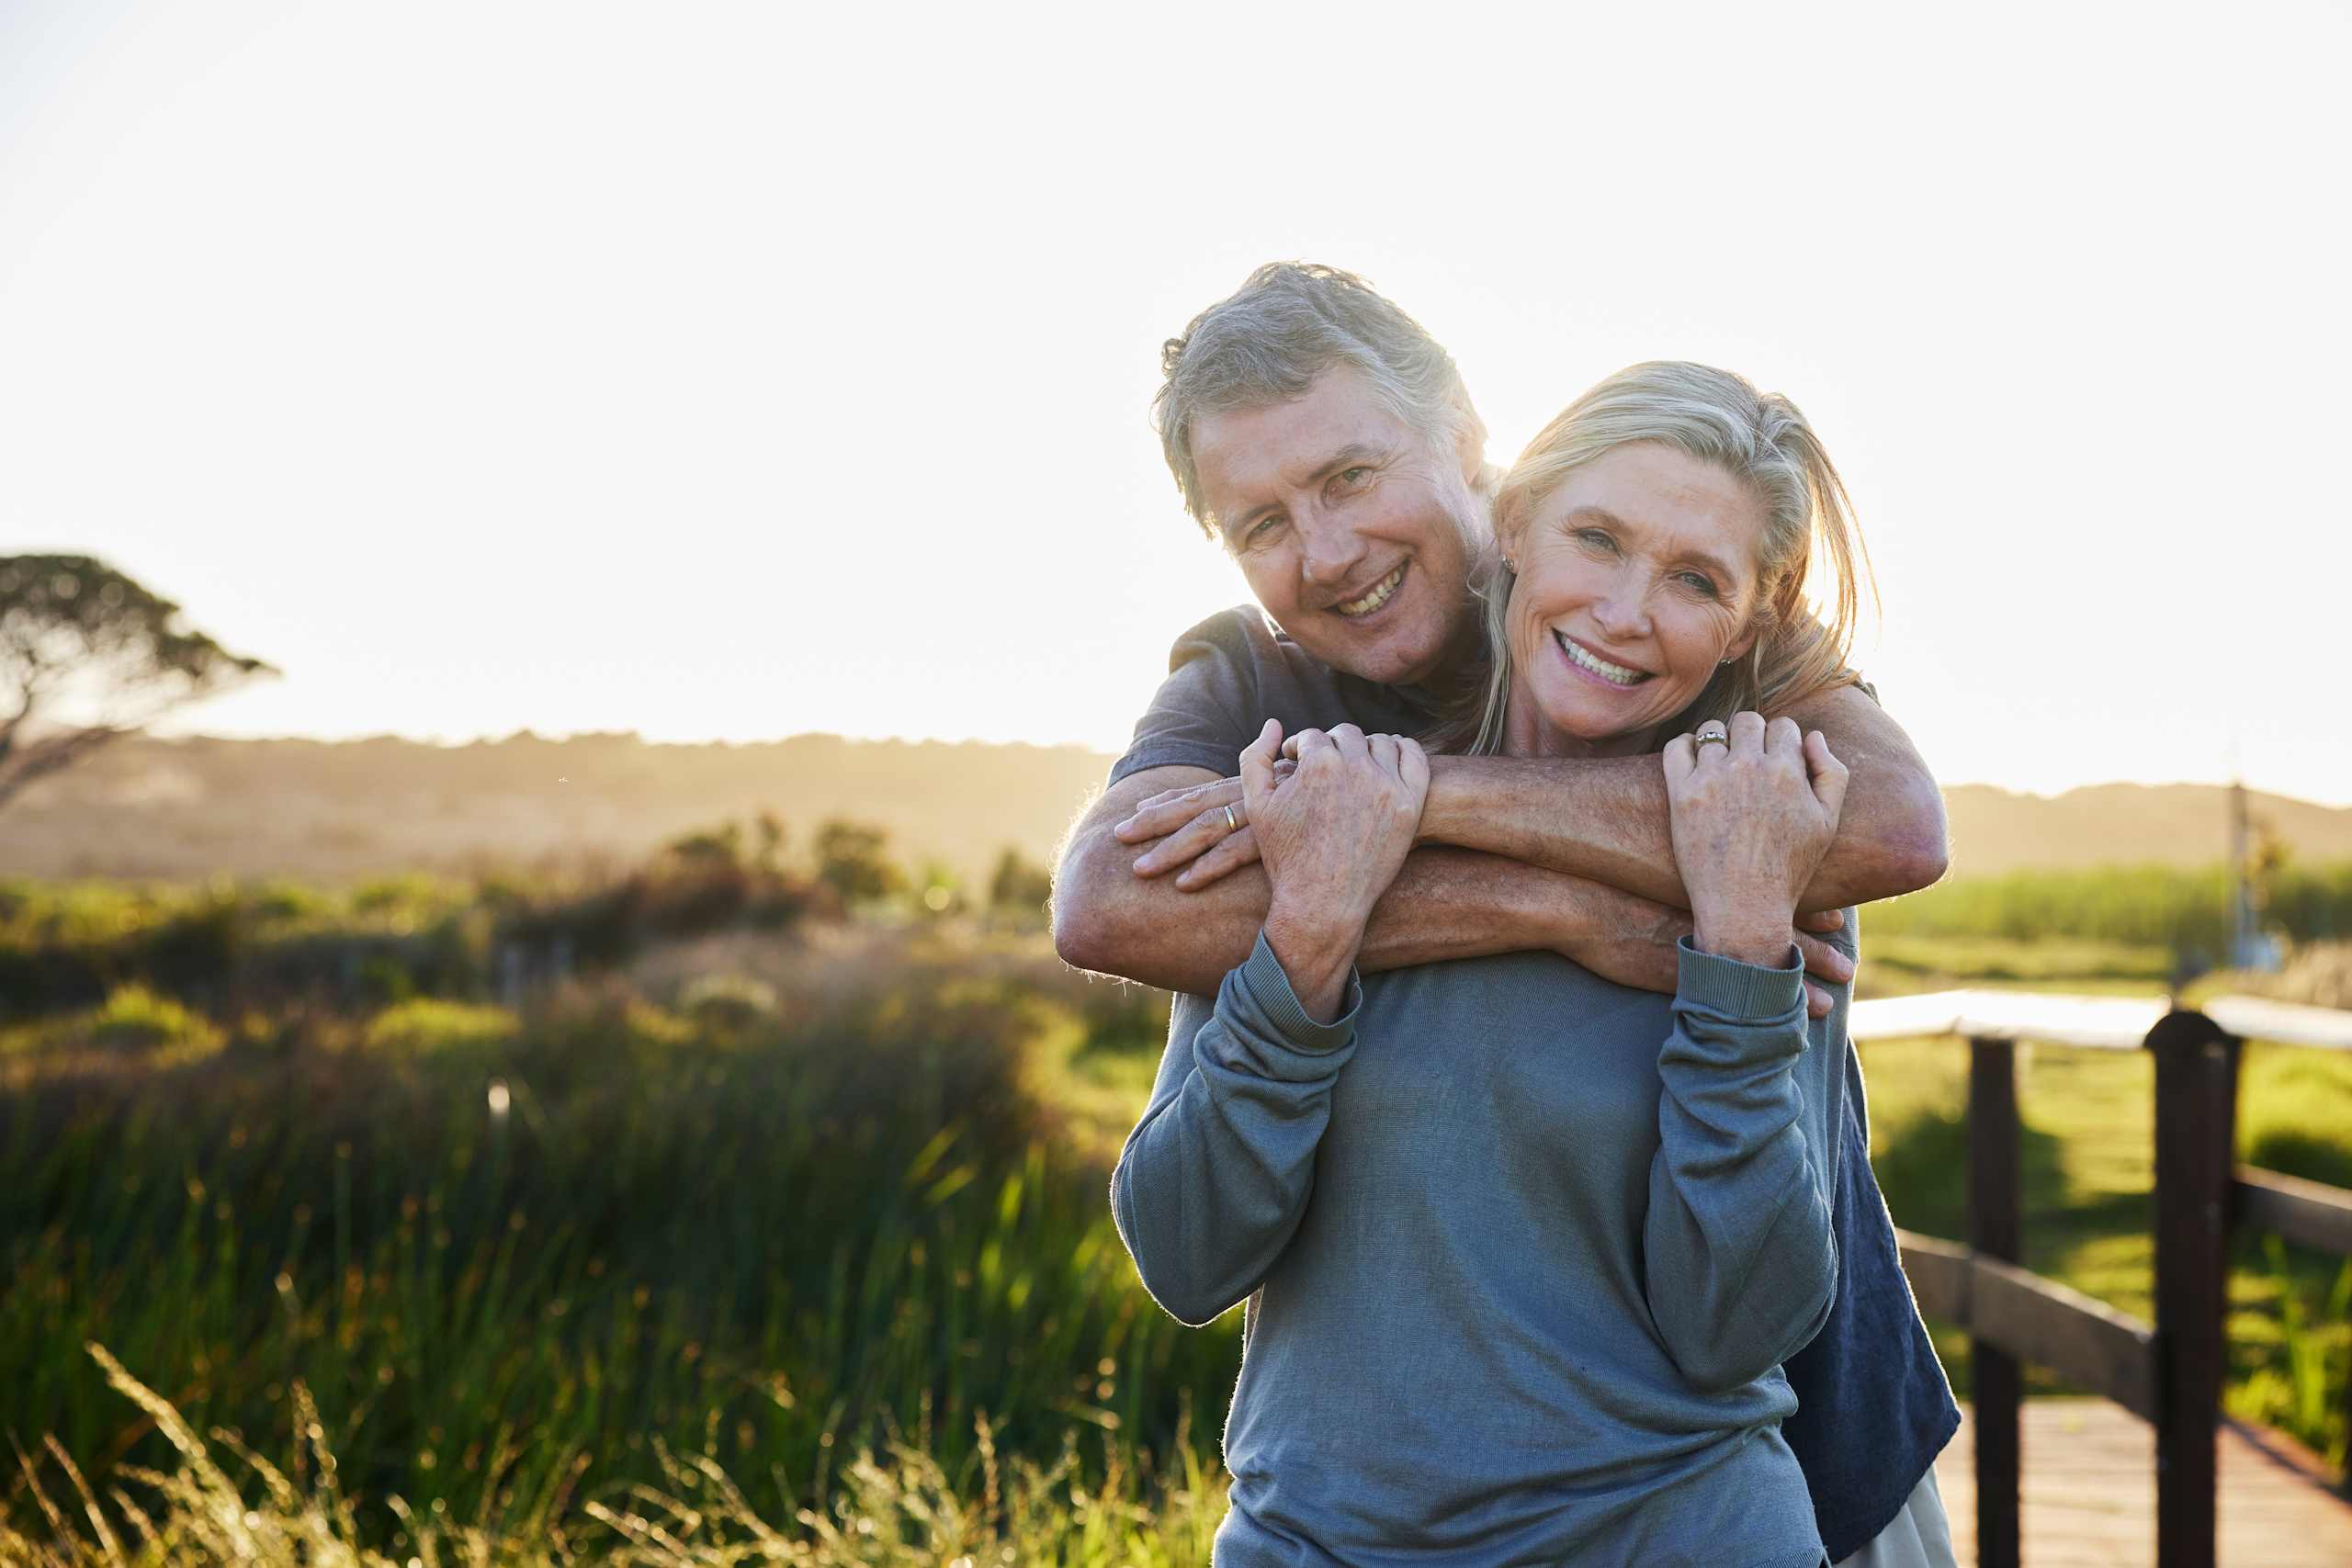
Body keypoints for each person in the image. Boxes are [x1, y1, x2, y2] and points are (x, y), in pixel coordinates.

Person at [1055, 266, 1958, 1564]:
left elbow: (1887, 826)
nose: (1326, 551)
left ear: (1476, 449)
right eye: (1262, 522)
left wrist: (1398, 808)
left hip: (1793, 1465)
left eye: (1352, 475)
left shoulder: (1721, 704)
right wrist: (1542, 903)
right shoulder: (1259, 699)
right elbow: (1108, 904)